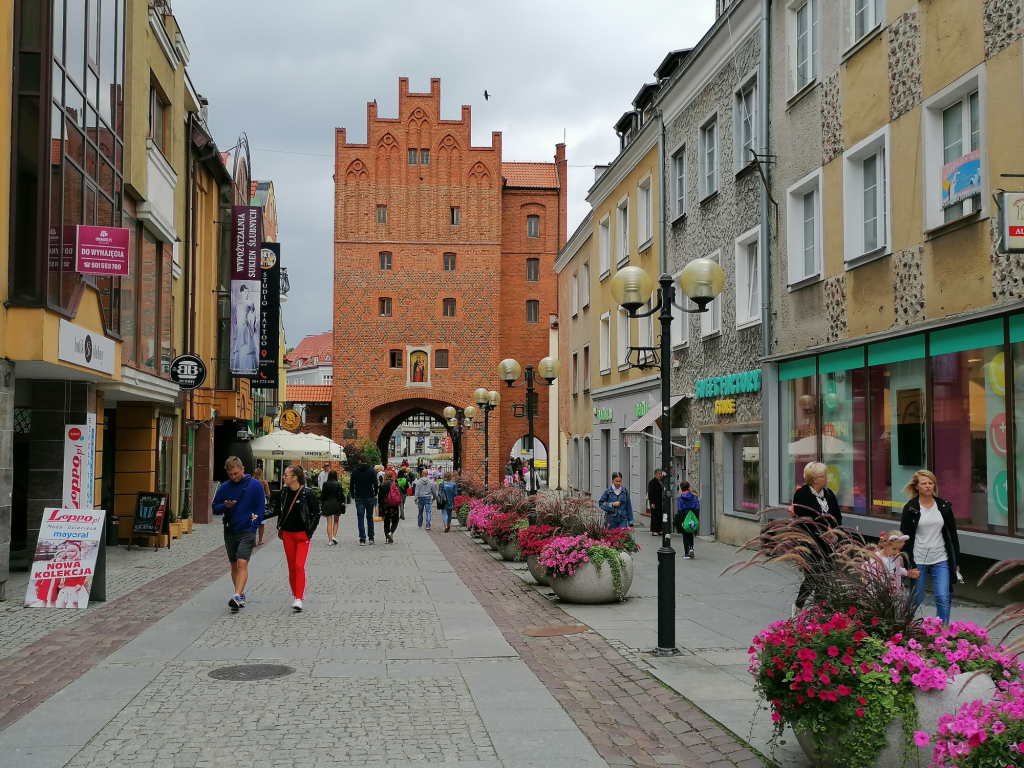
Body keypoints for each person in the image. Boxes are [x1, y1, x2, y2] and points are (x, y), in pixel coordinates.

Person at [900, 470, 961, 624]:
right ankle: (902, 623)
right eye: (924, 483)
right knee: (917, 597)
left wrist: (956, 562)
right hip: (918, 558)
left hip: (941, 558)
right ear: (917, 486)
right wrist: (909, 564)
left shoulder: (943, 506)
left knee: (942, 596)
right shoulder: (910, 508)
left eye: (930, 483)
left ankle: (942, 632)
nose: (928, 486)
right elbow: (904, 538)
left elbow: (953, 536)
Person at [212, 456, 266, 613]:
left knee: (242, 562)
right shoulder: (224, 488)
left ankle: (236, 595)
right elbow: (215, 508)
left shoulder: (255, 486)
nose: (233, 477)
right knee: (234, 564)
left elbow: (260, 507)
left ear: (242, 469)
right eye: (230, 475)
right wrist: (225, 506)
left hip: (247, 530)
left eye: (236, 473)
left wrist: (253, 526)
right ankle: (240, 594)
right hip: (230, 530)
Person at [791, 461, 843, 613]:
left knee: (825, 575)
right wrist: (822, 532)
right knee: (813, 575)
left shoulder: (829, 494)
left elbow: (837, 516)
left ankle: (819, 608)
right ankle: (799, 605)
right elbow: (803, 520)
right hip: (811, 542)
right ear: (815, 479)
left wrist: (835, 530)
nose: (827, 478)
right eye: (824, 475)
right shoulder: (802, 494)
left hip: (828, 543)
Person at [278, 465, 320, 612]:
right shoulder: (284, 493)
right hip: (288, 534)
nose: (284, 477)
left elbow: (316, 513)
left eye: (286, 475)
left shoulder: (307, 493)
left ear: (294, 477)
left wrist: (310, 532)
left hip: (302, 535)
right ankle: (295, 595)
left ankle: (299, 598)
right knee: (291, 567)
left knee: (299, 566)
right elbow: (279, 510)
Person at [349, 455, 379, 545]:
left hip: (359, 496)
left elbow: (351, 485)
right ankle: (371, 537)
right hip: (369, 496)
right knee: (369, 517)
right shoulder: (371, 471)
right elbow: (376, 484)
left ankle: (362, 538)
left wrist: (353, 495)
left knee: (360, 517)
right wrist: (375, 493)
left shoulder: (355, 471)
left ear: (360, 461)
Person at [676, 481, 700, 559]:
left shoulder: (680, 499)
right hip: (692, 516)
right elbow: (697, 507)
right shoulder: (694, 497)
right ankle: (691, 547)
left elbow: (680, 510)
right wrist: (696, 518)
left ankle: (686, 553)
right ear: (689, 488)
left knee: (685, 535)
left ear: (681, 488)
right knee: (691, 533)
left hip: (685, 516)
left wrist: (682, 521)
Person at [321, 469, 345, 545]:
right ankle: (334, 536)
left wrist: (322, 503)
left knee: (329, 522)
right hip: (336, 503)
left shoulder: (325, 484)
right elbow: (341, 495)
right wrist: (342, 502)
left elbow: (323, 495)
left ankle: (330, 540)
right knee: (336, 521)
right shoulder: (338, 484)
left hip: (327, 503)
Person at [378, 470, 401, 543]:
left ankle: (387, 538)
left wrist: (380, 508)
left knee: (386, 522)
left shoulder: (381, 486)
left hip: (385, 506)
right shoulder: (395, 485)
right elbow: (398, 495)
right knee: (395, 521)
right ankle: (391, 532)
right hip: (393, 505)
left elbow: (379, 498)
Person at [254, 467, 272, 546]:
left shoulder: (251, 482)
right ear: (261, 474)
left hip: (252, 503)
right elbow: (268, 494)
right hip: (261, 502)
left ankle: (253, 541)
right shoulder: (264, 482)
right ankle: (260, 540)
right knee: (261, 522)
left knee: (253, 521)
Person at [648, 468, 664, 537]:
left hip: (661, 502)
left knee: (660, 516)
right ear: (655, 475)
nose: (660, 476)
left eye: (661, 474)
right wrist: (652, 503)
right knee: (655, 516)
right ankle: (654, 530)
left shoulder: (662, 481)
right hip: (655, 502)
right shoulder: (652, 482)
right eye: (659, 474)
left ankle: (659, 529)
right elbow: (650, 493)